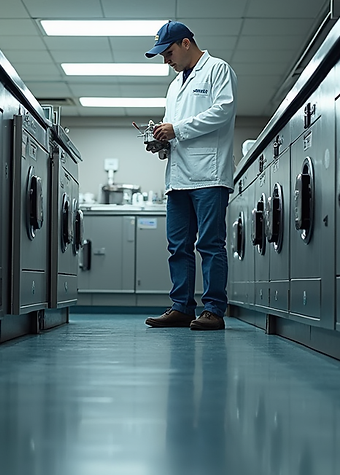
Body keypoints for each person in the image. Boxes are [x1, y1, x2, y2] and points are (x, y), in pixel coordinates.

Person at [142, 21, 237, 331]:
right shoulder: (174, 87)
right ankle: (182, 307)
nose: (166, 61)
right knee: (178, 246)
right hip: (178, 177)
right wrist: (161, 141)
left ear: (185, 43)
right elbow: (174, 131)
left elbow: (223, 110)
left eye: (168, 53)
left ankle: (213, 310)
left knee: (210, 243)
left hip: (209, 174)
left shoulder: (217, 70)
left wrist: (177, 130)